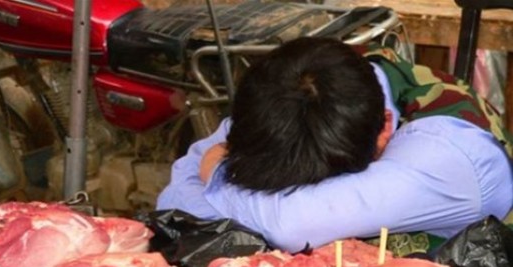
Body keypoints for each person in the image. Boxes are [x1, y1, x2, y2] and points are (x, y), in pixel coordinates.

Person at [157, 37, 513, 254]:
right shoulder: (287, 96)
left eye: (315, 186)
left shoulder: (447, 154)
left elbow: (289, 226)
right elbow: (176, 207)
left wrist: (217, 171)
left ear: (384, 129)